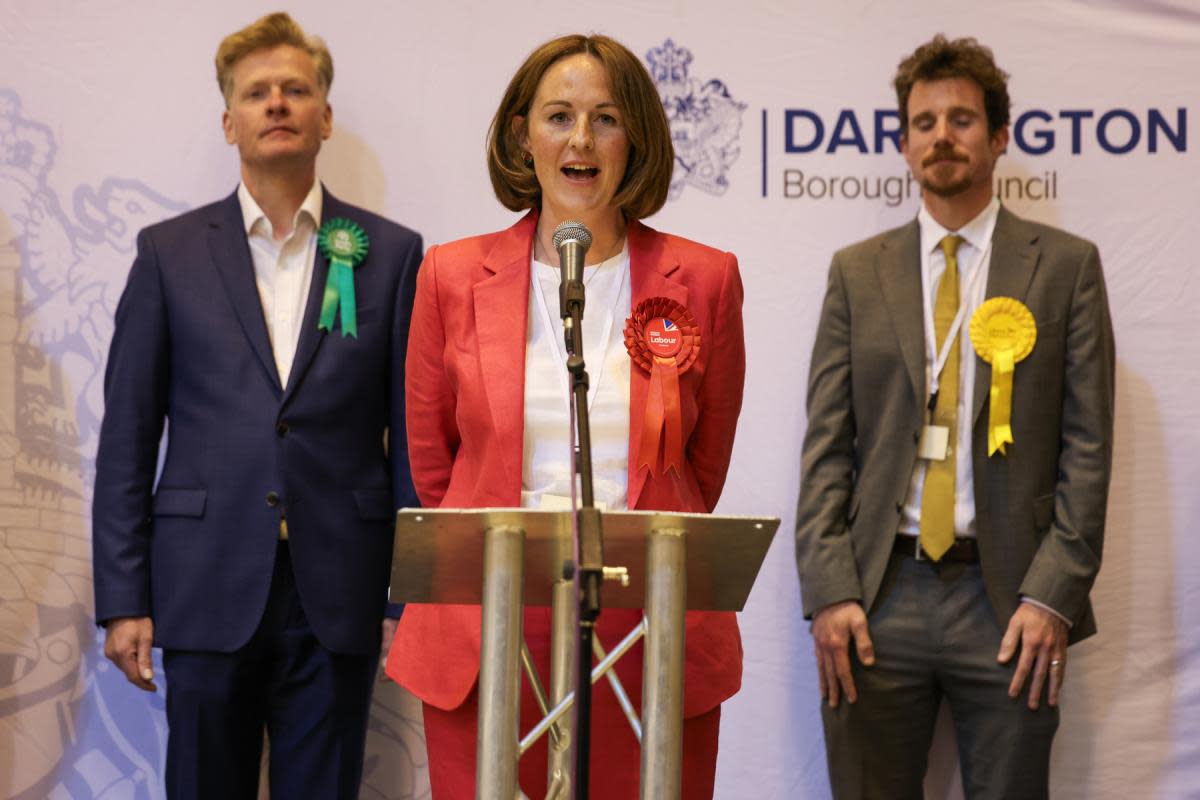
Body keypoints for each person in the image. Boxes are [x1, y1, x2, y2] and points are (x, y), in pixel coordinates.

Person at [385, 33, 745, 798]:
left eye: (607, 118)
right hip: (489, 619)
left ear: (636, 138)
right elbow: (434, 465)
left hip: (650, 616)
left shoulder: (705, 280)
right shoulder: (450, 275)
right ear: (522, 134)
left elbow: (701, 468)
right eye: (558, 116)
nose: (581, 140)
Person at [91, 12, 422, 799]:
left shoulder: (391, 254)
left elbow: (411, 441)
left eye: (296, 90)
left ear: (325, 116)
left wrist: (407, 595)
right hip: (202, 585)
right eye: (258, 92)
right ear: (229, 120)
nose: (278, 104)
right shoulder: (167, 254)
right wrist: (124, 599)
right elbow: (129, 439)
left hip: (339, 589)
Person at [794, 34, 1114, 800]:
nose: (943, 136)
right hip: (878, 595)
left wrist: (1052, 596)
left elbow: (1088, 448)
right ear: (903, 145)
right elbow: (826, 447)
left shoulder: (1066, 267)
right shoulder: (856, 272)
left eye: (963, 119)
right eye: (925, 122)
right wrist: (831, 588)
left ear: (1000, 137)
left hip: (1008, 600)